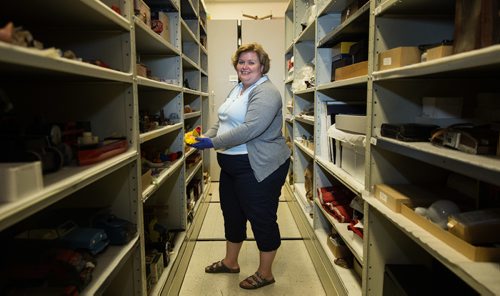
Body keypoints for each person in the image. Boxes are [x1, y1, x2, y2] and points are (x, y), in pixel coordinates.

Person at [189, 42, 290, 290]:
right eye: (241, 62)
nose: (245, 66)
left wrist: (212, 143)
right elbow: (222, 120)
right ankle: (230, 262)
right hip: (233, 167)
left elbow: (250, 129)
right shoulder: (238, 89)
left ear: (262, 66)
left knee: (262, 218)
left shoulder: (267, 92)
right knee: (232, 215)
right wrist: (205, 136)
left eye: (251, 62)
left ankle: (266, 273)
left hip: (259, 167)